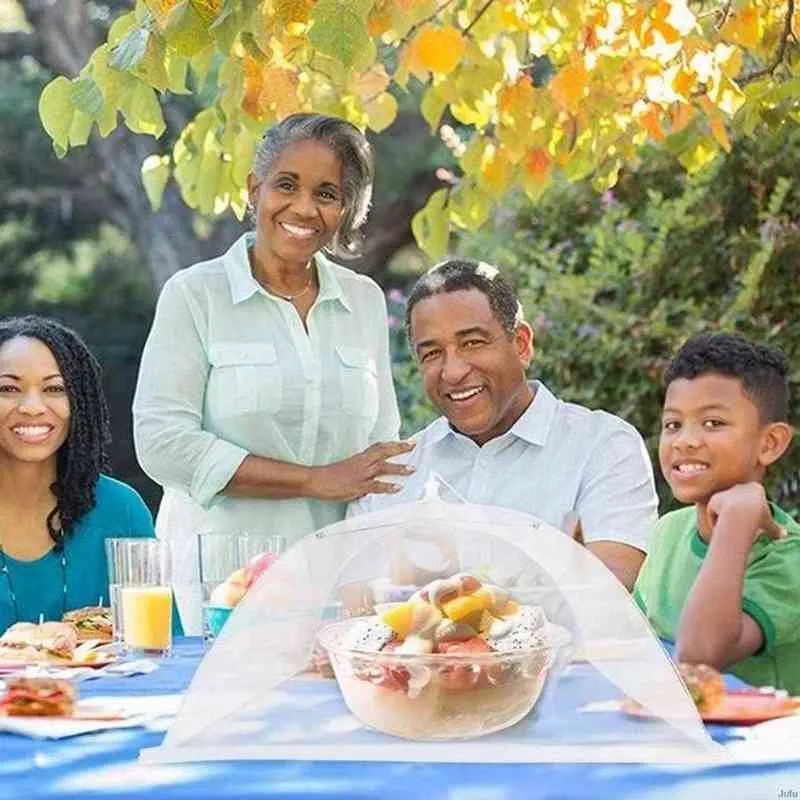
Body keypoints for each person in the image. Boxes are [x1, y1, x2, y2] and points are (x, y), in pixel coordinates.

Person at [133, 113, 410, 633]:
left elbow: (381, 453)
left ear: (345, 208)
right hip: (221, 587)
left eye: (327, 193)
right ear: (254, 189)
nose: (304, 208)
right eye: (287, 185)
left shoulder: (364, 301)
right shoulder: (196, 295)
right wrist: (314, 481)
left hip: (336, 589)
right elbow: (161, 443)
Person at [350, 258, 658, 590]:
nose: (452, 371)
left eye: (473, 342)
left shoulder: (603, 447)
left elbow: (610, 594)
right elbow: (353, 606)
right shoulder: (393, 474)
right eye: (432, 353)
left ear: (522, 344)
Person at [634, 333, 800, 693]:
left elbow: (699, 658)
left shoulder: (789, 558)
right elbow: (632, 642)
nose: (684, 441)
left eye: (713, 424)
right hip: (676, 738)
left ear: (769, 443)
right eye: (673, 424)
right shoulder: (669, 532)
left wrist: (737, 523)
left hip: (766, 745)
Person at [0, 316, 159, 635]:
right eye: (8, 388)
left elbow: (159, 650)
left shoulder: (120, 508)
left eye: (55, 388)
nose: (33, 407)